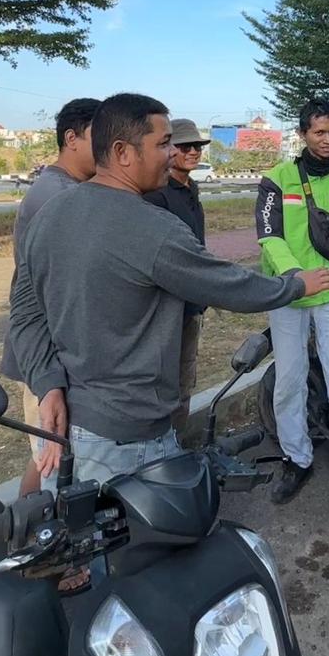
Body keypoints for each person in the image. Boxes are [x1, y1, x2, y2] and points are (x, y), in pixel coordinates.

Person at [10, 93, 329, 487]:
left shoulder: (49, 214)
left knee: (73, 521)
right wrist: (295, 285)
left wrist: (47, 384)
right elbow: (226, 284)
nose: (173, 153)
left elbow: (25, 315)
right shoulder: (152, 228)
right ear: (122, 152)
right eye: (163, 143)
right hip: (129, 437)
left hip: (66, 425)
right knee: (152, 524)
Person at [255, 98, 329, 520]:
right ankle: (297, 459)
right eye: (318, 132)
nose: (327, 139)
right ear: (302, 134)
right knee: (289, 382)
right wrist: (296, 276)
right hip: (289, 294)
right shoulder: (277, 179)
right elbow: (269, 236)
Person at [0, 98, 100, 497]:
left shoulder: (68, 189)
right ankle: (26, 530)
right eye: (99, 136)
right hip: (47, 349)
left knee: (51, 452)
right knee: (51, 459)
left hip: (53, 348)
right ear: (71, 139)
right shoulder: (57, 196)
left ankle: (25, 525)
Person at [144, 117, 210, 434]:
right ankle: (163, 449)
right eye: (185, 146)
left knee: (186, 378)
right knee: (164, 383)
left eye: (197, 146)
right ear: (169, 149)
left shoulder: (190, 189)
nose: (193, 152)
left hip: (192, 303)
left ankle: (178, 445)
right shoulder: (157, 195)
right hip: (166, 309)